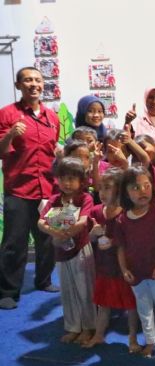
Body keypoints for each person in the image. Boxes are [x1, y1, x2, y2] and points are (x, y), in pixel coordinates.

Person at [0, 67, 60, 310]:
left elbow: (52, 150)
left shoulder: (52, 117)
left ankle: (44, 280)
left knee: (48, 239)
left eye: (37, 80)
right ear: (18, 85)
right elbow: (1, 151)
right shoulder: (7, 114)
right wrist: (11, 134)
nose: (33, 84)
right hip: (19, 188)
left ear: (43, 84)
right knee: (15, 243)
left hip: (48, 188)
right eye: (27, 80)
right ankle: (7, 291)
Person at [115, 165, 155, 360]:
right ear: (125, 192)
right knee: (144, 309)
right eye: (135, 187)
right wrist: (124, 270)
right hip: (135, 273)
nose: (142, 191)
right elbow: (121, 248)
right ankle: (150, 341)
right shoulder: (122, 220)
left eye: (146, 185)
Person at [37, 157, 95, 344]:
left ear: (81, 180)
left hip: (81, 250)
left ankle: (88, 327)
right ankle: (72, 327)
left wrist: (68, 231)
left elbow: (84, 221)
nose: (67, 183)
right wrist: (53, 231)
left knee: (84, 289)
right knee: (67, 291)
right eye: (63, 178)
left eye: (72, 178)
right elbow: (41, 221)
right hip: (61, 252)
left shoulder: (85, 198)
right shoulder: (54, 199)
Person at [83, 168, 140, 352]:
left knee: (131, 305)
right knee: (103, 302)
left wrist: (113, 241)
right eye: (100, 188)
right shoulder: (96, 211)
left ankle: (132, 338)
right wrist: (93, 234)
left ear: (120, 190)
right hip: (104, 267)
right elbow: (89, 238)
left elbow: (132, 241)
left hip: (124, 268)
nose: (102, 192)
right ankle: (99, 335)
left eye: (107, 187)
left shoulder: (127, 213)